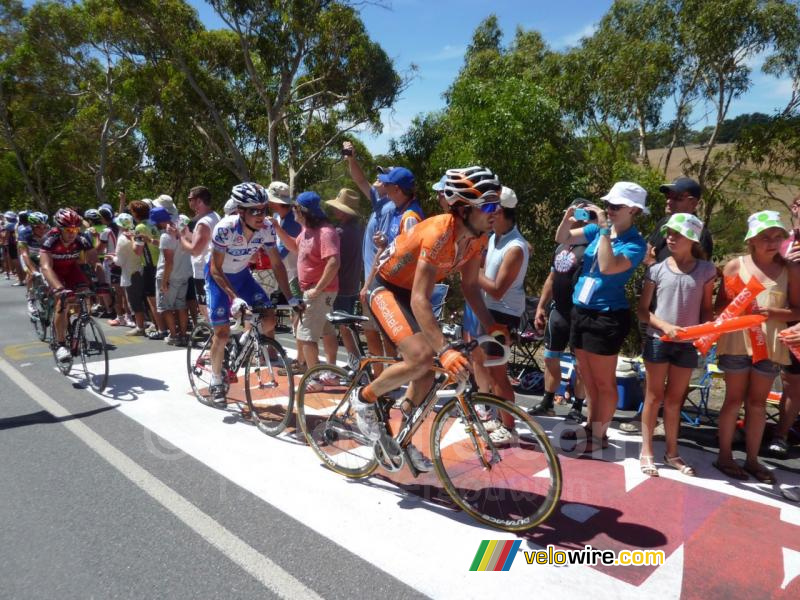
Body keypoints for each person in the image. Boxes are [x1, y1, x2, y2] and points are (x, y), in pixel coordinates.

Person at [350, 166, 509, 472]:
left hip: (410, 292)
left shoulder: (477, 238)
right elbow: (420, 299)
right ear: (462, 209)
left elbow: (471, 286)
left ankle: (402, 440)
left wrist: (491, 324)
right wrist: (445, 350)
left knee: (427, 373)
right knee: (423, 355)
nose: (495, 213)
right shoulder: (439, 232)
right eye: (488, 206)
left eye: (497, 205)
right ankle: (364, 399)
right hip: (386, 288)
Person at [554, 181, 648, 453]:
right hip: (581, 310)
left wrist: (606, 229)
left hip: (607, 316)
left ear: (633, 210)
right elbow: (563, 238)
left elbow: (607, 267)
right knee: (587, 377)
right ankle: (591, 427)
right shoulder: (597, 231)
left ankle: (599, 435)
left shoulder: (634, 244)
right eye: (607, 205)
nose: (609, 209)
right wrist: (567, 217)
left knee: (604, 381)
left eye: (616, 206)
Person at [713, 210, 800, 483]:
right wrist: (738, 311)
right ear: (751, 239)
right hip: (737, 343)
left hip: (770, 347)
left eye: (777, 236)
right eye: (765, 237)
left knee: (758, 404)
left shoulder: (791, 270)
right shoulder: (734, 267)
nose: (772, 242)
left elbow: (797, 311)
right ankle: (724, 456)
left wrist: (771, 312)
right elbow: (720, 311)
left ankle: (752, 459)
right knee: (733, 400)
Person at [637, 213, 716, 476]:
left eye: (677, 234)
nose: (670, 237)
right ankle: (647, 451)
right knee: (653, 396)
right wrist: (665, 327)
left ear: (692, 239)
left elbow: (706, 310)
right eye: (669, 232)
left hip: (687, 345)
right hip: (659, 340)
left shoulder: (706, 270)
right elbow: (643, 311)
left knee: (674, 402)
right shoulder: (656, 269)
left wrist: (706, 333)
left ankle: (672, 453)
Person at [206, 182, 298, 403]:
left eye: (264, 209)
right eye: (254, 210)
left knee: (268, 319)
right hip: (220, 278)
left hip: (243, 276)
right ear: (240, 211)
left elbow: (277, 264)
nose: (261, 215)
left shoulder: (266, 228)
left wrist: (292, 297)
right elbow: (215, 268)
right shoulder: (225, 228)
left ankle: (245, 339)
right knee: (222, 333)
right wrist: (233, 297)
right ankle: (216, 379)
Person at [344, 141, 425, 370]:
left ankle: (389, 378)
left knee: (387, 334)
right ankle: (380, 376)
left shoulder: (400, 210)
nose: (379, 182)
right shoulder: (384, 204)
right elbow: (360, 180)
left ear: (396, 189)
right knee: (371, 331)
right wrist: (351, 159)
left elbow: (402, 252)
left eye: (385, 181)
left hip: (384, 283)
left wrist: (369, 283)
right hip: (375, 280)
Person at [471, 186, 530, 443]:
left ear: (502, 212)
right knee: (492, 371)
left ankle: (509, 426)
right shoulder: (496, 238)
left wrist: (471, 271)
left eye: (490, 210)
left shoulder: (515, 247)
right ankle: (499, 418)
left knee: (499, 373)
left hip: (503, 316)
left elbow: (497, 289)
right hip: (490, 312)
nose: (487, 215)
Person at [531, 199, 593, 422]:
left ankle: (577, 406)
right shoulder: (561, 246)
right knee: (550, 358)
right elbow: (551, 277)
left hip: (580, 313)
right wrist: (541, 306)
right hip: (559, 311)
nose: (576, 218)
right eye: (573, 213)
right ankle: (548, 401)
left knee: (580, 363)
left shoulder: (591, 246)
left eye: (582, 214)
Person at [272, 192, 339, 383]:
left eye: (295, 208)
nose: (293, 211)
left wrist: (317, 289)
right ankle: (330, 372)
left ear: (302, 211)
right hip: (316, 290)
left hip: (318, 291)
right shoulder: (307, 230)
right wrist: (277, 228)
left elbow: (334, 262)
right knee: (326, 330)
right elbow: (295, 246)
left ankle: (314, 378)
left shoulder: (325, 232)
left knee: (305, 335)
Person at [39, 208, 98, 362]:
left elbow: (94, 260)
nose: (73, 233)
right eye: (68, 229)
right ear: (59, 228)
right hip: (54, 271)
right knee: (62, 301)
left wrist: (102, 283)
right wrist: (59, 289)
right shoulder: (50, 239)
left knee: (85, 296)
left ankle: (75, 325)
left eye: (76, 229)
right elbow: (45, 267)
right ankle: (60, 344)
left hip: (71, 269)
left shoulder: (82, 239)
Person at [770, 193, 800, 457]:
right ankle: (751, 427)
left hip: (797, 324)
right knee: (758, 374)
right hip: (769, 318)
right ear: (794, 207)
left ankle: (781, 435)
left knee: (792, 383)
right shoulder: (782, 241)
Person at [325, 188, 365, 360]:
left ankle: (356, 363)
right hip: (353, 283)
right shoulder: (359, 230)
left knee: (343, 327)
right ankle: (356, 362)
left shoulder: (339, 233)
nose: (335, 210)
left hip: (340, 284)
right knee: (347, 326)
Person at [152, 207, 192, 345]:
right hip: (184, 274)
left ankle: (174, 336)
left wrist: (164, 282)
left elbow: (169, 261)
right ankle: (182, 334)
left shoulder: (166, 236)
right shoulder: (182, 232)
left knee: (166, 307)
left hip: (169, 276)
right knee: (181, 305)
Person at [179, 186, 220, 321]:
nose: (189, 202)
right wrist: (185, 234)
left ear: (199, 201)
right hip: (210, 268)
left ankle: (218, 338)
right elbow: (202, 241)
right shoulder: (214, 217)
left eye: (190, 199)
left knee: (205, 308)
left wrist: (181, 238)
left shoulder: (203, 223)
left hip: (203, 271)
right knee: (210, 307)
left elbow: (195, 250)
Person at [112, 213, 148, 335]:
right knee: (143, 299)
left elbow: (119, 262)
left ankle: (140, 327)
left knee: (134, 301)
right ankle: (145, 324)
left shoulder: (122, 239)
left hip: (130, 273)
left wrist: (112, 258)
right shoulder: (136, 234)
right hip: (141, 270)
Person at [18, 212, 49, 314]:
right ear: (31, 227)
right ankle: (30, 299)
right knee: (31, 274)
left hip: (42, 253)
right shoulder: (24, 232)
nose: (42, 230)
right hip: (28, 253)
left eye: (44, 227)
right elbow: (24, 254)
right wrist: (33, 270)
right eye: (38, 227)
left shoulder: (49, 231)